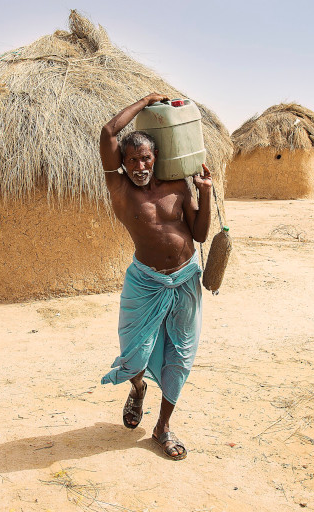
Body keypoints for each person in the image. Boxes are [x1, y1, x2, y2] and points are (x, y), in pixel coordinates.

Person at [99, 93, 212, 460]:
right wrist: (146, 100)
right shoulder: (120, 190)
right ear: (123, 163)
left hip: (185, 279)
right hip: (145, 281)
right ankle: (136, 389)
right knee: (135, 354)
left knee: (180, 354)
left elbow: (199, 235)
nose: (139, 165)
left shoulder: (178, 186)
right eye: (131, 160)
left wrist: (205, 194)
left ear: (156, 157)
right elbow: (108, 131)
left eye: (145, 157)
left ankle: (162, 427)